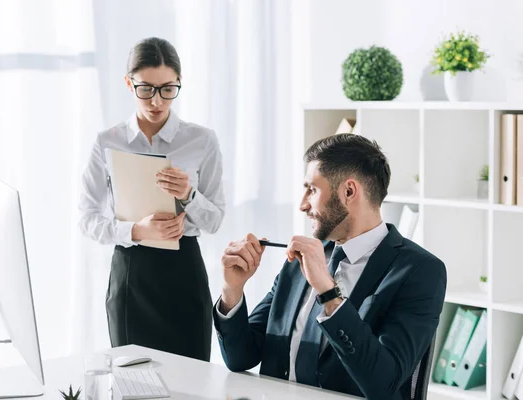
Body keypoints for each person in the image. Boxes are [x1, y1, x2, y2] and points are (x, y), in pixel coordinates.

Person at [213, 133, 447, 399]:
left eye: (312, 189)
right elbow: (240, 357)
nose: (302, 204)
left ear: (348, 191)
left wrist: (328, 292)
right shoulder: (300, 260)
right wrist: (232, 289)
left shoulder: (420, 271)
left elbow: (384, 383)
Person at [79, 37, 225, 362]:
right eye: (146, 88)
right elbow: (87, 219)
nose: (156, 101)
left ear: (179, 83)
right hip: (131, 275)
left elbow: (215, 221)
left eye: (167, 89)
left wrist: (188, 195)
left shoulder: (202, 141)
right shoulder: (107, 142)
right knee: (134, 383)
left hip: (185, 273)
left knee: (192, 383)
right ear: (129, 84)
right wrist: (136, 231)